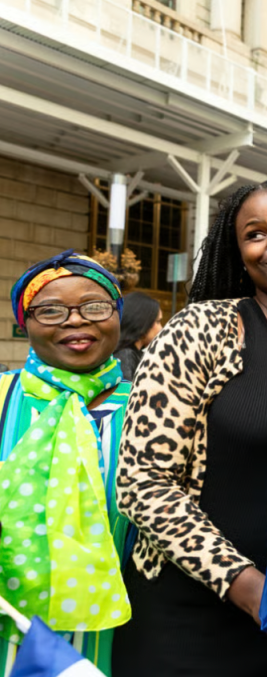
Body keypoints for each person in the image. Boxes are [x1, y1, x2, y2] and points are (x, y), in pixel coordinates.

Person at [113, 180, 267, 676]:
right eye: (255, 234)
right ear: (239, 252)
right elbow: (142, 483)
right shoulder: (199, 331)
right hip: (192, 619)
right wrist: (251, 590)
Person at [0, 251, 132, 676]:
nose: (75, 321)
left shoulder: (152, 406)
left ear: (117, 315)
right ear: (25, 322)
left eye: (95, 306)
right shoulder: (3, 397)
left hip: (121, 635)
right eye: (50, 310)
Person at [112, 291, 162, 380]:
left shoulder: (131, 354)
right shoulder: (126, 356)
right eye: (158, 322)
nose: (161, 328)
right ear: (143, 323)